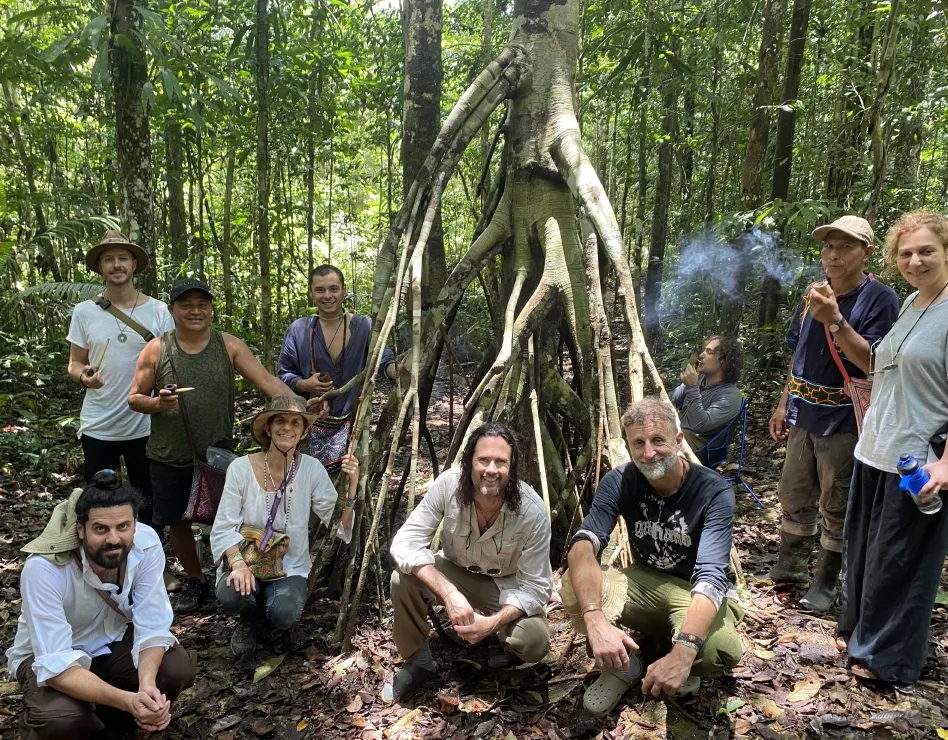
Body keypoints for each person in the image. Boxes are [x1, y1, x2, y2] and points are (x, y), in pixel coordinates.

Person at [564, 399, 743, 717]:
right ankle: (624, 665)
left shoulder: (712, 492)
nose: (649, 453)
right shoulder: (619, 480)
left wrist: (685, 652)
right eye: (639, 443)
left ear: (678, 440)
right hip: (646, 584)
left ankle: (673, 656)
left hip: (696, 591)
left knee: (720, 650)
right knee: (573, 583)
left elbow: (711, 576)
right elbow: (583, 545)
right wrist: (594, 618)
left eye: (658, 440)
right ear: (630, 447)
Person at [128, 277, 293, 613]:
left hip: (218, 454)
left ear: (211, 309)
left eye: (202, 304)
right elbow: (134, 398)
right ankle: (195, 579)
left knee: (229, 517)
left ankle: (235, 574)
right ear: (172, 310)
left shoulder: (228, 345)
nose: (195, 311)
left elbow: (267, 382)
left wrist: (300, 405)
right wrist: (157, 404)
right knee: (178, 521)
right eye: (186, 305)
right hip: (169, 455)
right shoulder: (157, 349)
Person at [838, 210, 948, 689]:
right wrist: (835, 323)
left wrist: (946, 464)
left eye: (927, 251)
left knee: (901, 564)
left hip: (918, 460)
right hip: (876, 451)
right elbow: (874, 367)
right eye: (905, 253)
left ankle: (890, 664)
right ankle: (862, 641)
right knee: (866, 556)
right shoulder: (910, 304)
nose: (916, 261)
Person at [768, 215, 899, 613]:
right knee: (793, 494)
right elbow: (800, 352)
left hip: (844, 420)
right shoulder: (814, 293)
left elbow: (873, 362)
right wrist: (782, 403)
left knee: (836, 503)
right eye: (828, 247)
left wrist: (837, 320)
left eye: (846, 247)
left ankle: (825, 582)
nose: (834, 255)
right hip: (804, 414)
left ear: (867, 253)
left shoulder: (880, 298)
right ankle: (789, 570)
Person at [7, 471, 196, 739]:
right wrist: (128, 700)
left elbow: (153, 623)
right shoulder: (44, 569)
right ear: (80, 530)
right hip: (50, 656)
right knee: (61, 719)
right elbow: (56, 664)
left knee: (176, 668)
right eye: (100, 529)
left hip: (111, 641)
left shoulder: (146, 542)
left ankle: (120, 725)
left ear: (134, 523)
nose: (114, 539)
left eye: (123, 527)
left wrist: (146, 687)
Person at [386, 422, 553, 702]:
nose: (491, 470)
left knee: (534, 640)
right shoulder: (448, 486)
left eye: (501, 462)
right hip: (455, 573)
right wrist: (449, 593)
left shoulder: (532, 511)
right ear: (469, 463)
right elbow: (404, 543)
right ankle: (417, 660)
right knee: (402, 579)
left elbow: (537, 588)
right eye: (483, 460)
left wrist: (491, 623)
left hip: (504, 586)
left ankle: (495, 638)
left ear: (512, 468)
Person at [211, 395, 358, 656]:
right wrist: (237, 564)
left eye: (295, 422)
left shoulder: (312, 469)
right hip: (247, 558)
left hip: (288, 566)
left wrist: (353, 487)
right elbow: (223, 526)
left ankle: (270, 618)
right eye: (279, 420)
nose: (286, 428)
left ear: (303, 433)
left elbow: (337, 524)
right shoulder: (240, 468)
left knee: (284, 613)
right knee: (231, 594)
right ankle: (250, 620)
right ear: (268, 428)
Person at [66, 230, 174, 528]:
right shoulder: (84, 312)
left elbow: (170, 364)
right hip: (99, 424)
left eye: (122, 258)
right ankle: (106, 566)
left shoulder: (159, 311)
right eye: (109, 259)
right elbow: (75, 363)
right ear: (100, 266)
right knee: (101, 505)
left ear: (134, 264)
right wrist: (84, 376)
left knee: (148, 503)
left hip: (146, 423)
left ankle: (149, 565)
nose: (116, 264)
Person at [278, 265, 396, 469]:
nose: (327, 296)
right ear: (311, 292)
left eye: (333, 289)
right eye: (320, 290)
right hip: (306, 428)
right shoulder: (299, 330)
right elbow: (284, 374)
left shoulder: (364, 326)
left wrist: (399, 369)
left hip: (355, 427)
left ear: (344, 289)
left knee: (346, 491)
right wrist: (305, 384)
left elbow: (384, 362)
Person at [671, 335, 744, 457]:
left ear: (724, 362)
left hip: (701, 449)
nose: (701, 355)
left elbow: (699, 425)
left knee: (659, 438)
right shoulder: (699, 378)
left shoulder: (731, 396)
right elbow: (672, 399)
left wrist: (692, 387)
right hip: (680, 435)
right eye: (704, 350)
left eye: (709, 352)